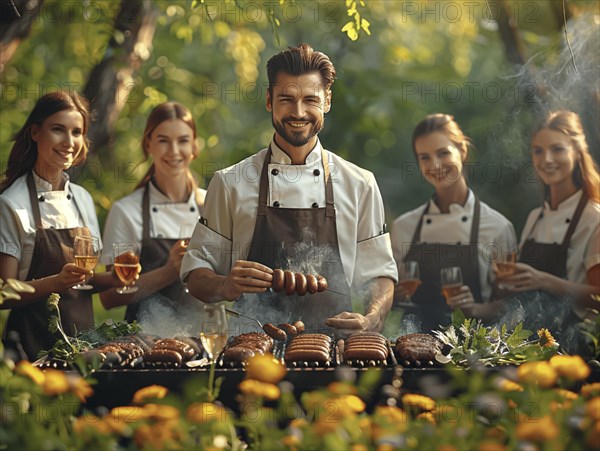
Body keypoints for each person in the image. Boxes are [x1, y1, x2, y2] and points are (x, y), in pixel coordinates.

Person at [181, 43, 397, 336]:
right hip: (249, 356)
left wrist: (372, 318)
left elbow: (380, 272)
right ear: (269, 100)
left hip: (335, 355)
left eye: (310, 99)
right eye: (287, 99)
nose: (298, 112)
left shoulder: (359, 184)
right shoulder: (230, 182)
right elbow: (195, 273)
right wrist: (223, 284)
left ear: (327, 100)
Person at [0, 91, 119, 360]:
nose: (69, 141)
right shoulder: (11, 204)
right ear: (35, 132)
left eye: (76, 132)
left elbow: (81, 282)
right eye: (58, 129)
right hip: (30, 354)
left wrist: (114, 279)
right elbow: (5, 292)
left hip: (83, 349)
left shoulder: (83, 199)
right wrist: (55, 282)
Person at [391, 114, 516, 333]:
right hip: (414, 355)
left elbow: (509, 305)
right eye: (425, 157)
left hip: (474, 356)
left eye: (443, 153)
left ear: (463, 151)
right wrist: (394, 294)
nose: (435, 165)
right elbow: (390, 294)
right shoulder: (404, 227)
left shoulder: (498, 228)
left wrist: (474, 309)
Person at [99, 101, 207, 337]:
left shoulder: (212, 206)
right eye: (163, 140)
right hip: (144, 346)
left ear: (194, 147)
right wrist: (169, 271)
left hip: (207, 341)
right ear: (148, 144)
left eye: (183, 141)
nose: (174, 151)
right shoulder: (127, 211)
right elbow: (110, 296)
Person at [496, 110, 600, 340]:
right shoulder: (536, 217)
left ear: (577, 151)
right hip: (526, 345)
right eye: (538, 151)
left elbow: (598, 298)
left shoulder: (593, 218)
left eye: (557, 149)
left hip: (574, 347)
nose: (547, 160)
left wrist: (544, 280)